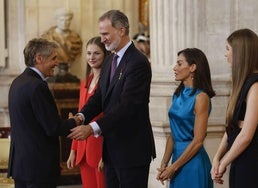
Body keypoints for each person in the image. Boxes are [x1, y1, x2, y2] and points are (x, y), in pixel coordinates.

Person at [67, 10, 156, 188]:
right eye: (101, 34)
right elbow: (100, 96)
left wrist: (91, 129)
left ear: (121, 31)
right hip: (111, 150)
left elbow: (127, 106)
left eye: (106, 33)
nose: (102, 39)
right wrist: (81, 117)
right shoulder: (110, 61)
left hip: (131, 151)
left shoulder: (137, 62)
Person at [7, 38, 81, 188]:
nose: (57, 63)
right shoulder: (37, 86)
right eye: (53, 58)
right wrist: (75, 121)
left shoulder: (17, 82)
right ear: (39, 59)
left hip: (21, 167)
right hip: (38, 168)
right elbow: (52, 127)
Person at [211, 28, 258, 188]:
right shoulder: (244, 82)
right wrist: (217, 157)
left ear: (240, 52)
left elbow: (246, 135)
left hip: (253, 164)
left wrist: (223, 162)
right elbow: (233, 129)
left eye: (228, 49)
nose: (225, 54)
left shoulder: (256, 85)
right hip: (240, 161)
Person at [156, 48, 215, 188]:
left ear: (193, 67)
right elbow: (173, 134)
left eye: (179, 64)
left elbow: (198, 141)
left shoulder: (201, 97)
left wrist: (173, 167)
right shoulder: (177, 94)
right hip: (177, 160)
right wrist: (164, 164)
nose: (175, 68)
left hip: (194, 163)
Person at [66, 36, 110, 188]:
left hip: (100, 149)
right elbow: (80, 117)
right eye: (89, 53)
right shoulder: (85, 82)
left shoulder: (108, 83)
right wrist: (73, 150)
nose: (91, 57)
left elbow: (110, 118)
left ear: (105, 55)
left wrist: (106, 155)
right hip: (83, 150)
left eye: (96, 53)